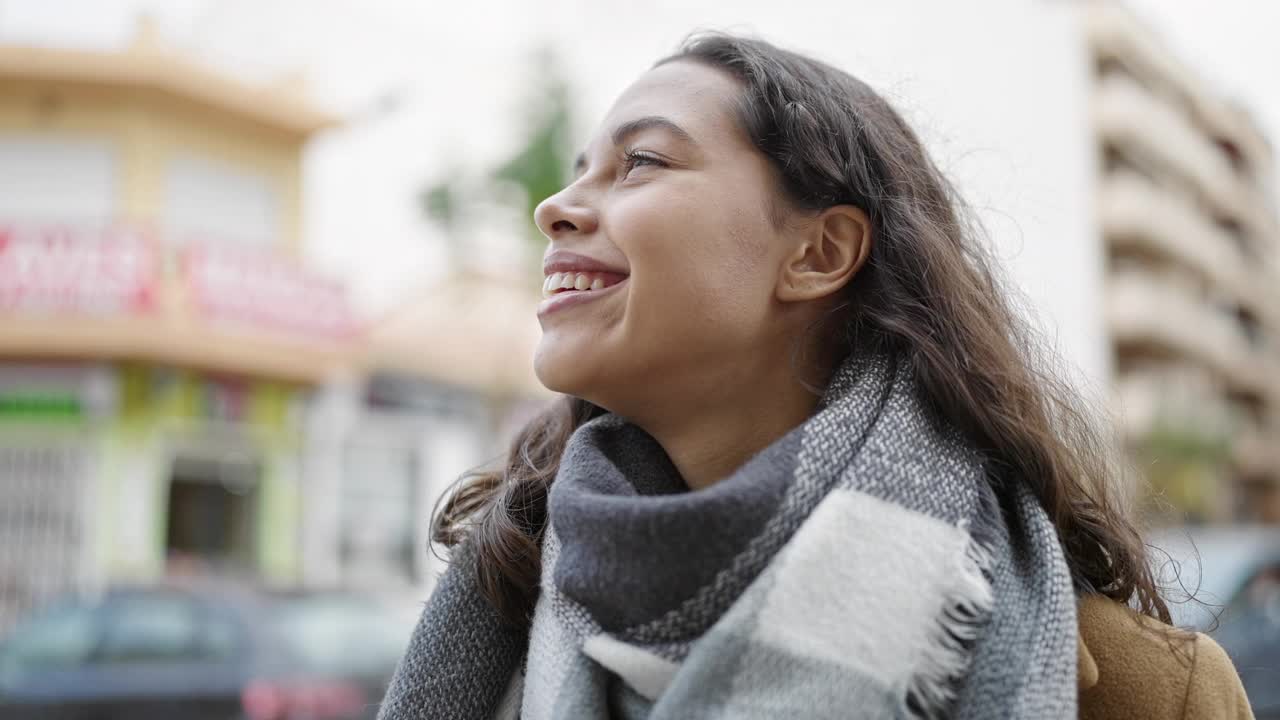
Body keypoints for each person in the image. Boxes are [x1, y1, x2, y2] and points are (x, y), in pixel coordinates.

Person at [378, 33, 1253, 720]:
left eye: (640, 162)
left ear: (819, 252)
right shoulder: (500, 603)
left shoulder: (1146, 694)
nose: (553, 209)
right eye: (577, 177)